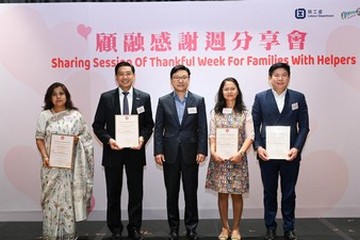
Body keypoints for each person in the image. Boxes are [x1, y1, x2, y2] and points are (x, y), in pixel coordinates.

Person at [92, 61, 154, 240]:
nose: (125, 77)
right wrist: (108, 140)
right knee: (113, 193)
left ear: (134, 76)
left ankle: (134, 227)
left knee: (136, 193)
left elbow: (149, 125)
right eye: (121, 74)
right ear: (116, 77)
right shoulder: (106, 97)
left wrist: (142, 138)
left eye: (128, 73)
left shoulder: (144, 97)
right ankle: (115, 229)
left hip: (135, 152)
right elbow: (97, 125)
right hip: (113, 152)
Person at [252, 62, 309, 240]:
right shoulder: (260, 97)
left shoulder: (298, 98)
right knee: (269, 192)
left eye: (284, 75)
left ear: (289, 78)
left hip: (290, 154)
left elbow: (305, 126)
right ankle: (270, 226)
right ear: (270, 78)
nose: (280, 78)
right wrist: (258, 147)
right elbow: (254, 126)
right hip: (267, 154)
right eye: (276, 75)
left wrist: (297, 148)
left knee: (289, 192)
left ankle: (289, 227)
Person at [154, 65, 208, 240]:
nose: (180, 80)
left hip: (191, 153)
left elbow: (202, 128)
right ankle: (173, 227)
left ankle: (191, 227)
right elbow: (158, 128)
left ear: (189, 79)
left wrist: (202, 150)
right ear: (171, 80)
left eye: (184, 77)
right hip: (169, 153)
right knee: (172, 192)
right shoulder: (163, 101)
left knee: (191, 191)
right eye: (177, 77)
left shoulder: (198, 100)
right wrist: (158, 151)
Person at [35, 82, 94, 240]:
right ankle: (50, 234)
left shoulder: (75, 116)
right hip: (51, 167)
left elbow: (86, 138)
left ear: (66, 96)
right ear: (50, 98)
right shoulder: (45, 115)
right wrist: (45, 156)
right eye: (54, 94)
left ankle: (69, 234)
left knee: (68, 201)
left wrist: (77, 140)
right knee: (50, 201)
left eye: (61, 93)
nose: (58, 97)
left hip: (71, 167)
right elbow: (39, 138)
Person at [205, 77, 254, 240]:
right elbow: (211, 135)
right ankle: (225, 228)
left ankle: (236, 229)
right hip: (219, 159)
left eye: (232, 88)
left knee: (237, 194)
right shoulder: (215, 112)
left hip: (237, 159)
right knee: (223, 194)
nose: (229, 92)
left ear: (237, 91)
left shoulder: (245, 113)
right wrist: (213, 151)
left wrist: (240, 153)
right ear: (221, 92)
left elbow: (250, 136)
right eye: (226, 89)